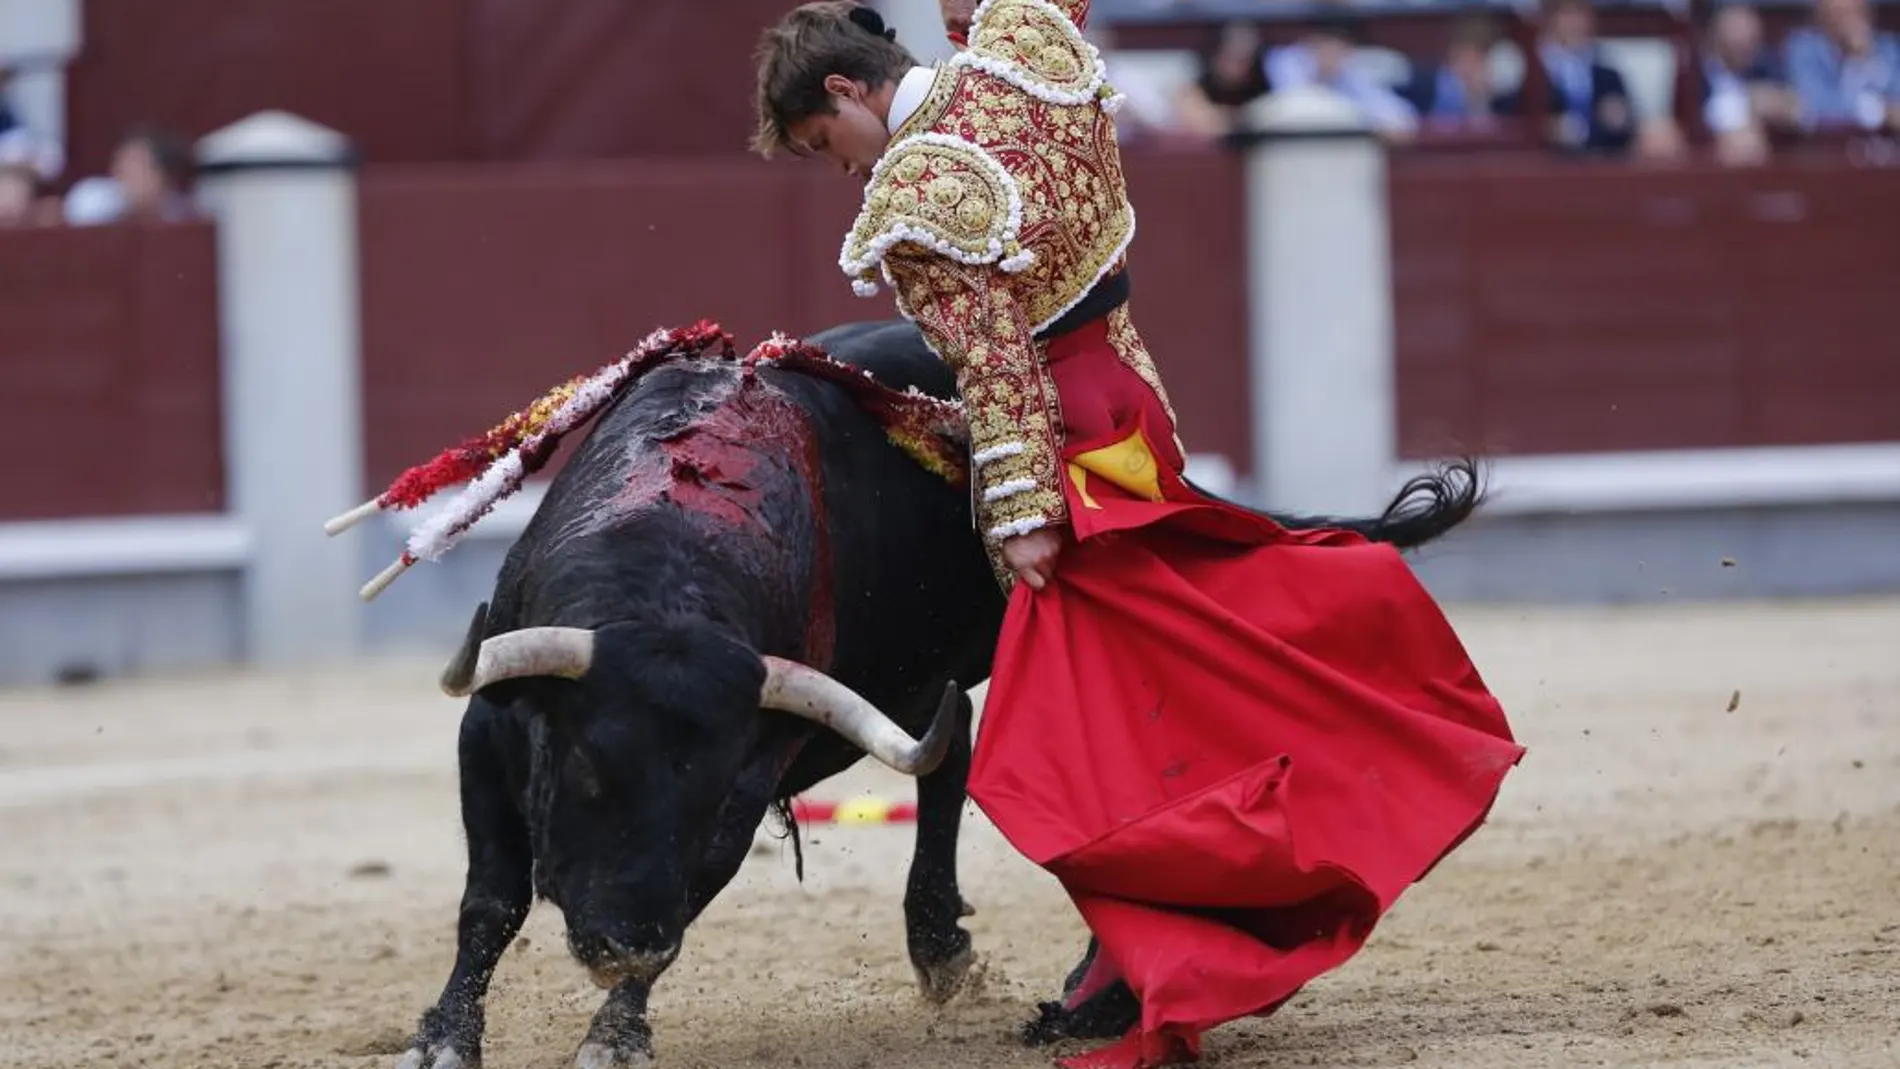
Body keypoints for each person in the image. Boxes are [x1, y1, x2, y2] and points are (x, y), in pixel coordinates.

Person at [750, 3, 1525, 1067]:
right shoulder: (1023, 51)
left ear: (844, 91)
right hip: (1131, 402)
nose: (834, 169)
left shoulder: (921, 192)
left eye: (817, 144)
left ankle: (1160, 951)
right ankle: (1118, 960)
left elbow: (996, 369)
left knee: (1075, 734)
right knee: (1151, 679)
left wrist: (1022, 515)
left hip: (1068, 452)